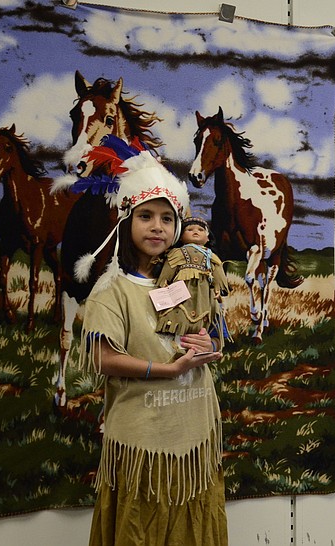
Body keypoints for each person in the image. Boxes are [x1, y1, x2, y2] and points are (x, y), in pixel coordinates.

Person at [77, 152, 228, 546]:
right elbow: (103, 359)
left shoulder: (191, 282)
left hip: (194, 436)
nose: (157, 227)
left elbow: (212, 333)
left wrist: (210, 344)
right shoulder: (112, 290)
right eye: (146, 216)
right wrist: (170, 370)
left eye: (167, 219)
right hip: (143, 443)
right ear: (127, 223)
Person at [155, 216, 230, 352]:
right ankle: (176, 342)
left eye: (201, 230)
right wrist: (164, 282)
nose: (195, 232)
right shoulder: (177, 253)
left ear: (207, 238)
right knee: (178, 315)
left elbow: (218, 271)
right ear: (181, 237)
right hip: (181, 292)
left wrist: (218, 287)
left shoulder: (210, 256)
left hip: (204, 294)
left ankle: (197, 342)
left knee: (204, 316)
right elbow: (170, 267)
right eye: (190, 229)